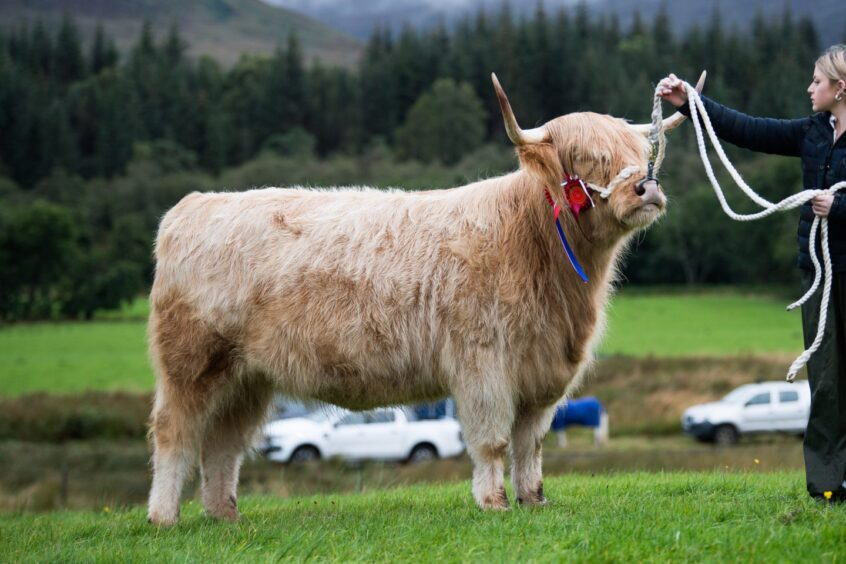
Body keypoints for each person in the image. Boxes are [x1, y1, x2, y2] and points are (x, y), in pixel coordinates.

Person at [658, 45, 846, 503]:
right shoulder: (813, 133)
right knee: (826, 384)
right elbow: (751, 131)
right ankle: (828, 486)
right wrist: (692, 104)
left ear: (840, 88)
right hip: (820, 277)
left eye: (817, 81)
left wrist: (841, 207)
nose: (809, 88)